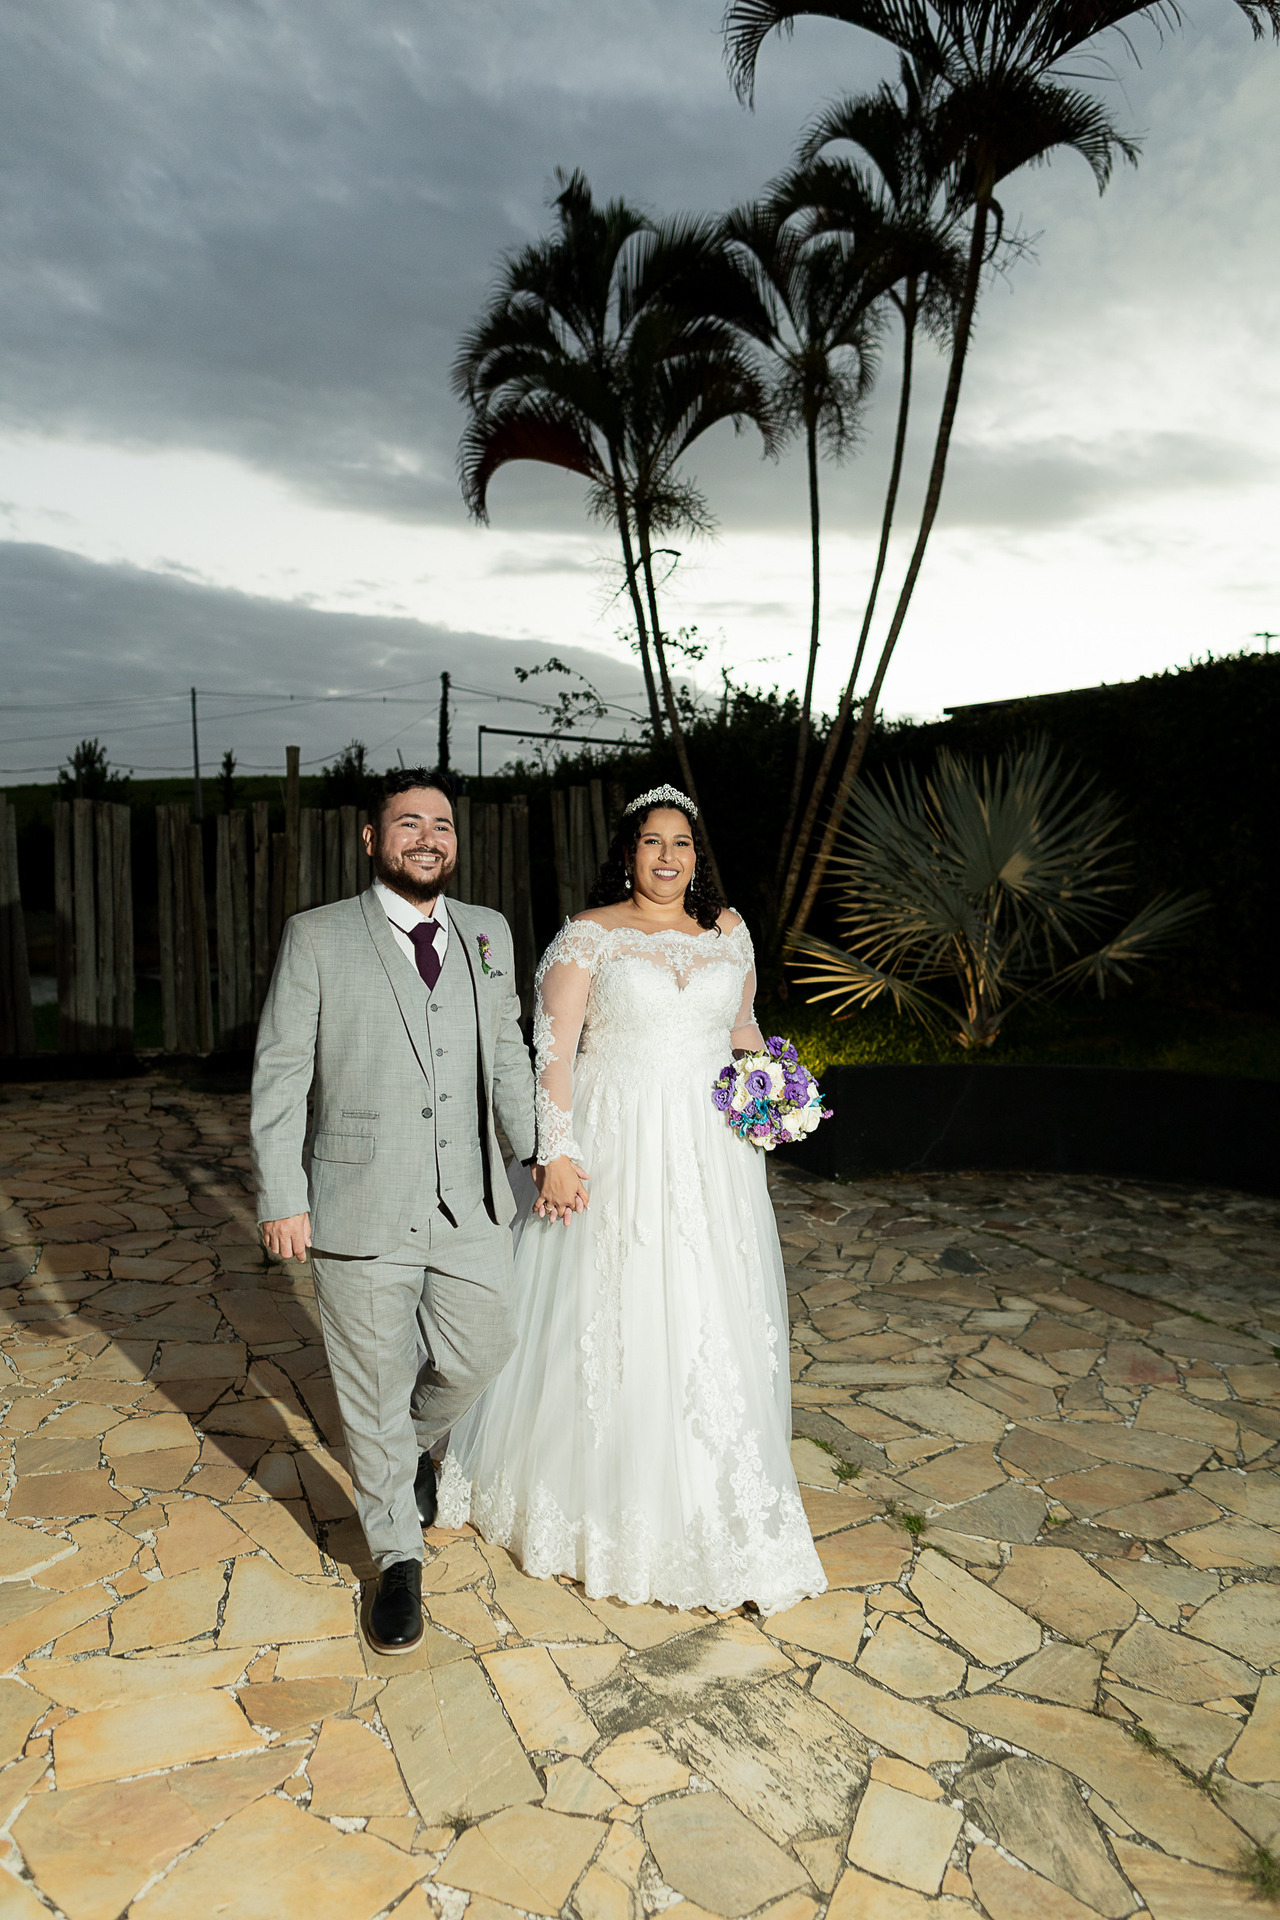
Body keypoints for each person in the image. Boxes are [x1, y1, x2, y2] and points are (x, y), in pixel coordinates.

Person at [438, 785, 827, 1616]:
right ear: (628, 853)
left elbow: (742, 1027)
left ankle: (717, 1499)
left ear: (696, 856)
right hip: (615, 1144)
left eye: (681, 843)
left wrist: (772, 1091)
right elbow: (553, 1051)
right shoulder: (591, 935)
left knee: (709, 1306)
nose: (667, 857)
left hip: (710, 1155)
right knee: (612, 1306)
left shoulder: (728, 932)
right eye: (653, 842)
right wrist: (555, 1152)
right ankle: (593, 1500)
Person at [251, 768, 537, 1653]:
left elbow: (507, 1051)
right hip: (360, 1201)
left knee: (484, 1346)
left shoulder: (487, 931)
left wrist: (540, 1150)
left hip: (470, 1202)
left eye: (441, 824)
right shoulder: (317, 936)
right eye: (407, 823)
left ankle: (402, 1449)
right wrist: (283, 1194)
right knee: (369, 1387)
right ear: (372, 840)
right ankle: (396, 1561)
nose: (427, 838)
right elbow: (281, 1073)